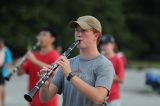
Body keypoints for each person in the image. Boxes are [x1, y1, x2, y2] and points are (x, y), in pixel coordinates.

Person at [39, 16, 114, 106]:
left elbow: (98, 98)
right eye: (77, 30)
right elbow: (44, 98)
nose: (78, 34)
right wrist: (44, 84)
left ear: (96, 35)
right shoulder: (67, 63)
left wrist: (70, 75)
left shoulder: (104, 65)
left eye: (84, 30)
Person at [17, 27, 60, 106]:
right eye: (40, 35)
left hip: (48, 101)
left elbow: (53, 71)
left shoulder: (55, 56)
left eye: (44, 35)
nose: (40, 37)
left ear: (52, 39)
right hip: (32, 98)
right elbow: (20, 73)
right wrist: (20, 65)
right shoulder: (34, 55)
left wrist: (34, 60)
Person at [100, 35, 125, 106]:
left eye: (106, 44)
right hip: (100, 97)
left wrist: (109, 74)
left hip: (113, 98)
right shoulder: (100, 59)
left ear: (113, 45)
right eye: (102, 44)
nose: (103, 46)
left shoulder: (118, 59)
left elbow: (121, 79)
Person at [0, 37, 12, 106]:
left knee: (1, 89)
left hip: (2, 73)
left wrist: (3, 64)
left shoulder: (6, 51)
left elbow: (9, 64)